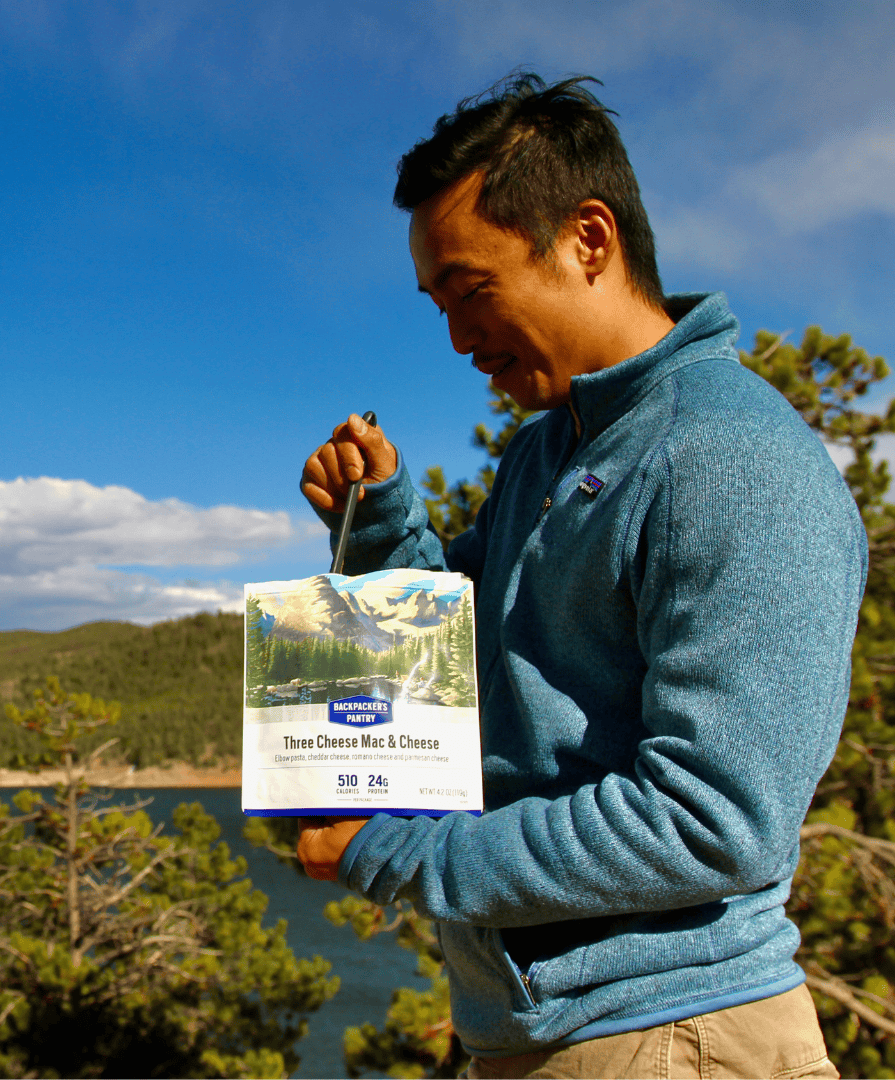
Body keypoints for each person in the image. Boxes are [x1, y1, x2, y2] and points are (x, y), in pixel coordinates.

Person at [298, 72, 865, 1079]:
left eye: (473, 291)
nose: (460, 340)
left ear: (588, 240)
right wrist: (379, 521)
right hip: (539, 1033)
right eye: (438, 305)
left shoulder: (729, 458)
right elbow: (458, 656)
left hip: (674, 1036)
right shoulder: (542, 454)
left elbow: (712, 822)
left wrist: (392, 855)